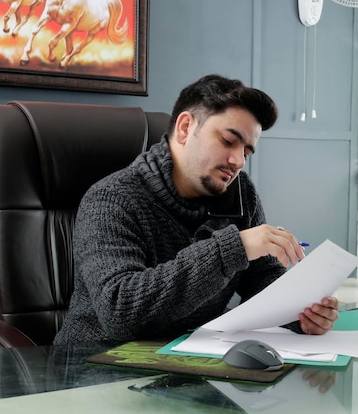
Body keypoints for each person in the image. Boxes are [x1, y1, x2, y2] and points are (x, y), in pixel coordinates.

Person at [53, 74, 339, 345]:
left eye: (247, 152)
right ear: (185, 127)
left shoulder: (242, 196)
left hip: (192, 363)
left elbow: (261, 278)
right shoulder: (111, 199)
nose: (238, 160)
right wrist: (233, 248)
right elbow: (120, 313)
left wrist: (300, 313)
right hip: (95, 370)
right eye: (228, 141)